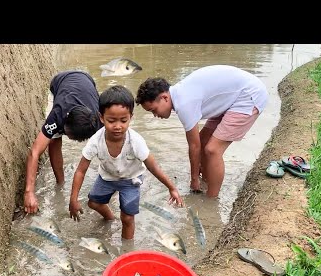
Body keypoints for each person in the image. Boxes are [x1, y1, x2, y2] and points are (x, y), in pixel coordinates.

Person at [68, 85, 183, 240]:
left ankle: (126, 250)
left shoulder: (135, 141)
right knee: (93, 203)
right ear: (101, 118)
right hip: (107, 178)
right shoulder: (96, 140)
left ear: (131, 118)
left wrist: (172, 188)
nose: (117, 126)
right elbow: (81, 170)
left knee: (128, 218)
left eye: (123, 120)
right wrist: (73, 199)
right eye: (111, 120)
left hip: (131, 180)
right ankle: (110, 218)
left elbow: (153, 166)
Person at [135, 65, 269, 198]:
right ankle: (205, 183)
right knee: (204, 141)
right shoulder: (179, 94)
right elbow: (198, 143)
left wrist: (193, 179)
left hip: (249, 97)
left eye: (154, 109)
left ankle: (212, 200)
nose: (154, 115)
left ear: (164, 98)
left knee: (212, 150)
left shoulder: (184, 103)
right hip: (232, 98)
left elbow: (194, 146)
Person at [24, 70, 102, 214]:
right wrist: (29, 192)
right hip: (60, 81)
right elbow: (35, 152)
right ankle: (60, 181)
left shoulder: (99, 119)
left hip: (87, 81)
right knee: (53, 140)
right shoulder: (58, 115)